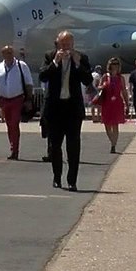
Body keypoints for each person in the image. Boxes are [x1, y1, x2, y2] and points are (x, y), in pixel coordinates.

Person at [39, 31, 94, 190]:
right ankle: (57, 177)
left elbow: (88, 80)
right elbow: (43, 76)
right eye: (62, 45)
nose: (65, 48)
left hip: (72, 109)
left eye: (67, 45)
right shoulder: (50, 56)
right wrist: (55, 63)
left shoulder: (81, 58)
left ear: (73, 44)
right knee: (55, 146)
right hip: (55, 109)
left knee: (73, 145)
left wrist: (78, 64)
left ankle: (72, 180)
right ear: (58, 44)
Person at [0, 44, 33, 160]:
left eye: (11, 53)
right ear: (2, 54)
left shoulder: (21, 66)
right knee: (8, 124)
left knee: (14, 123)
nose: (9, 55)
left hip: (17, 98)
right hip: (4, 100)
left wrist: (28, 99)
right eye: (6, 53)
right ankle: (12, 145)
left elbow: (28, 83)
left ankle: (15, 150)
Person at [97, 57, 130, 153]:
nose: (115, 66)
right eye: (113, 64)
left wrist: (127, 103)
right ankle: (112, 141)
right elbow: (98, 87)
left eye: (116, 64)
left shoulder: (121, 78)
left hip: (117, 102)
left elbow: (124, 91)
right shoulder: (105, 76)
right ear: (109, 65)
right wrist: (102, 86)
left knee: (115, 124)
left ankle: (113, 145)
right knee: (107, 125)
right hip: (107, 102)